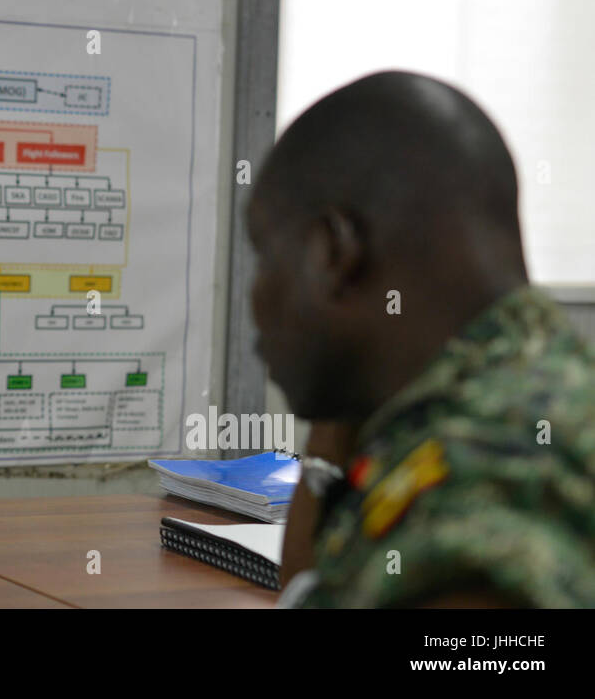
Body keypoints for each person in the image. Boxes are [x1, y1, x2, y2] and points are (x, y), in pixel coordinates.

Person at [247, 70, 595, 607]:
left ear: (331, 254)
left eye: (266, 256)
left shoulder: (480, 481)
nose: (256, 301)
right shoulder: (542, 381)